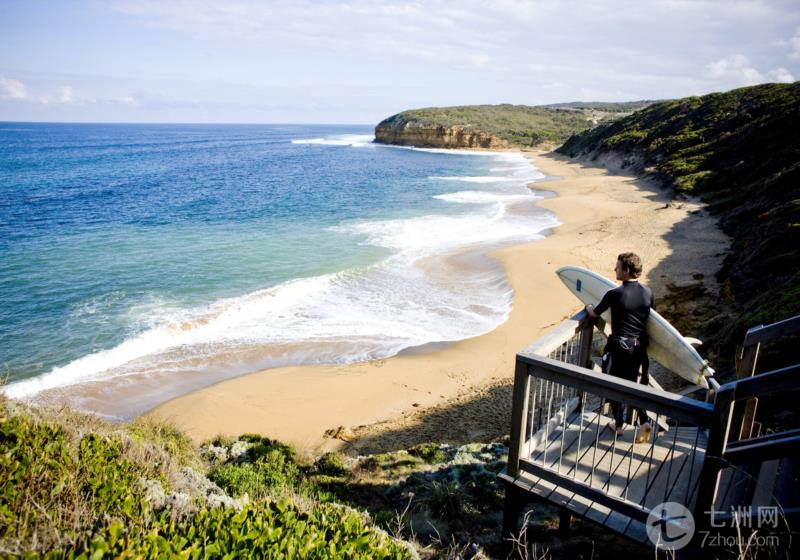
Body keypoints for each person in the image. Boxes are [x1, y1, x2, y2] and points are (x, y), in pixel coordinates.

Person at [586, 252, 654, 443]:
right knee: (632, 384)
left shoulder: (615, 294)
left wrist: (588, 306)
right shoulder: (648, 292)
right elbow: (652, 321)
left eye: (617, 266)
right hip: (637, 348)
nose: (614, 268)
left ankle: (618, 424)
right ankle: (644, 421)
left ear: (626, 270)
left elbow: (594, 313)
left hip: (617, 348)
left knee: (612, 384)